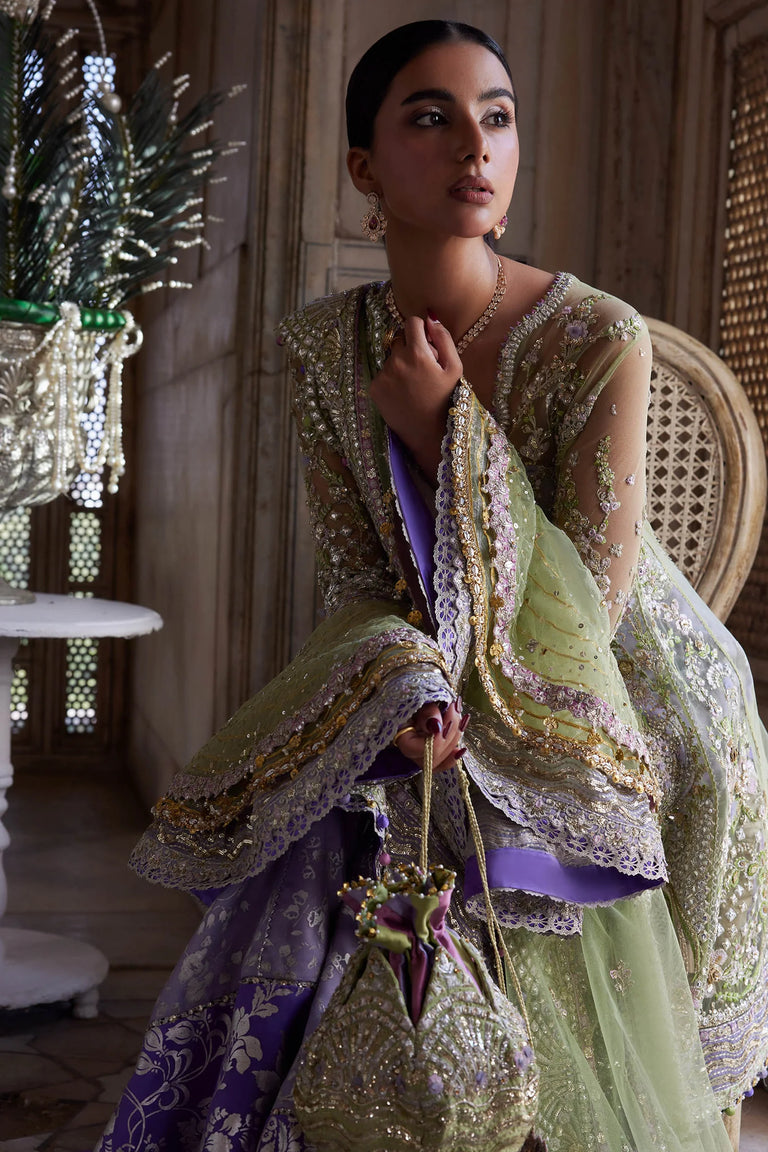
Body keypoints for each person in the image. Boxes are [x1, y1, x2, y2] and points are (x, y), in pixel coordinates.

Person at [97, 20, 768, 1152]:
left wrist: (447, 428)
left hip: (613, 683)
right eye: (430, 116)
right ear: (364, 169)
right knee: (326, 796)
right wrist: (406, 693)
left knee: (616, 793)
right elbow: (361, 572)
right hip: (419, 655)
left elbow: (593, 609)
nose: (475, 145)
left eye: (497, 117)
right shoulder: (325, 348)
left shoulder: (596, 334)